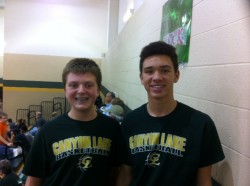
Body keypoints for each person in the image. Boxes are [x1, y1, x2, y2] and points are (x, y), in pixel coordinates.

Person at [117, 41, 225, 186]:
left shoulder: (201, 124)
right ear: (141, 78)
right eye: (149, 71)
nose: (156, 77)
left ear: (176, 75)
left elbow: (204, 181)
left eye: (165, 70)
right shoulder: (129, 122)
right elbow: (125, 177)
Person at [23, 58, 121, 186]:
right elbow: (33, 180)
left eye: (88, 85)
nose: (81, 90)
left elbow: (116, 173)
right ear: (65, 90)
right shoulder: (48, 130)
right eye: (73, 85)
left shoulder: (112, 128)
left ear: (98, 91)